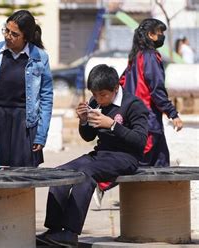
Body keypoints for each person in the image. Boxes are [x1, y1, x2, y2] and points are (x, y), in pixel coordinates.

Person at [37, 64, 149, 247]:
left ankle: (71, 233)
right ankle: (54, 230)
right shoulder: (95, 102)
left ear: (115, 89)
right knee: (60, 173)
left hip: (125, 157)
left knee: (85, 175)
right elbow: (89, 136)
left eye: (102, 95)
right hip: (101, 154)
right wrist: (83, 121)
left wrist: (112, 125)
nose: (98, 99)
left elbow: (140, 141)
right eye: (95, 95)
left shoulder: (133, 105)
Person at [0, 10, 53, 168]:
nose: (8, 36)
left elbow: (46, 97)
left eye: (14, 34)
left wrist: (41, 135)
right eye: (6, 30)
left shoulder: (40, 58)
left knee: (24, 177)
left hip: (24, 126)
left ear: (26, 37)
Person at [120, 18, 183, 167]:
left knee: (160, 163)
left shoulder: (135, 57)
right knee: (145, 166)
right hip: (148, 121)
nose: (162, 36)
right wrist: (172, 113)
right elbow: (157, 90)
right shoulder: (150, 57)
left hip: (135, 119)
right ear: (150, 35)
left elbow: (121, 82)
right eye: (159, 32)